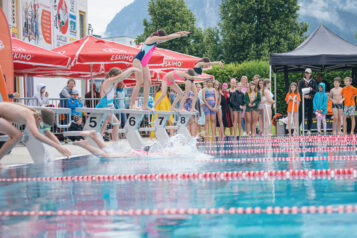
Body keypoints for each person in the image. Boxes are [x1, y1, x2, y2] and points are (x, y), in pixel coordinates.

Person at [130, 30, 190, 110]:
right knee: (139, 81)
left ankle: (145, 105)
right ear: (160, 36)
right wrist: (180, 35)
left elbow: (166, 38)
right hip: (138, 61)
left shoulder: (155, 41)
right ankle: (132, 104)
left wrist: (179, 33)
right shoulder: (152, 38)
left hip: (144, 63)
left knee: (148, 82)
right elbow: (167, 37)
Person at [0, 102, 71, 159]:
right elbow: (36, 135)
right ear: (39, 119)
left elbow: (47, 132)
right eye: (41, 126)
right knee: (18, 135)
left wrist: (61, 146)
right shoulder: (29, 115)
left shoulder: (37, 117)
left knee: (17, 135)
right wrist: (57, 147)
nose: (41, 128)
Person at [97, 67, 141, 141]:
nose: (119, 80)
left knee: (104, 127)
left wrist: (132, 72)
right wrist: (132, 69)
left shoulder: (112, 83)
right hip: (103, 107)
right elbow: (121, 76)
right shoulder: (108, 81)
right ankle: (115, 143)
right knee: (116, 123)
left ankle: (103, 140)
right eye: (117, 76)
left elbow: (122, 77)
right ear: (113, 76)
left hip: (106, 107)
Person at [72, 130, 147, 158]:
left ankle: (93, 137)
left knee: (108, 151)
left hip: (136, 152)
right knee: (106, 155)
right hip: (135, 154)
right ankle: (86, 145)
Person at [298, 68, 318, 135]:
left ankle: (309, 129)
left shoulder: (313, 81)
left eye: (308, 73)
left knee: (310, 115)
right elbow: (299, 91)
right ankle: (297, 129)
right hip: (303, 100)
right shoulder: (301, 81)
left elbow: (316, 91)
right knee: (301, 114)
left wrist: (311, 92)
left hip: (310, 100)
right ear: (304, 74)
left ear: (311, 74)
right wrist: (303, 96)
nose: (307, 74)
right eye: (306, 73)